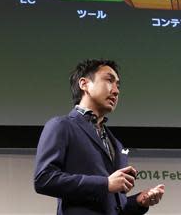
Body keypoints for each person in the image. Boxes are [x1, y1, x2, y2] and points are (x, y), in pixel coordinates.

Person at [34, 59, 165, 215]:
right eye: (109, 80)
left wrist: (138, 201)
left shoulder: (116, 144)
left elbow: (114, 208)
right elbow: (44, 179)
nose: (116, 91)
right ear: (84, 84)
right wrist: (105, 183)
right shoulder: (62, 126)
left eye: (118, 85)